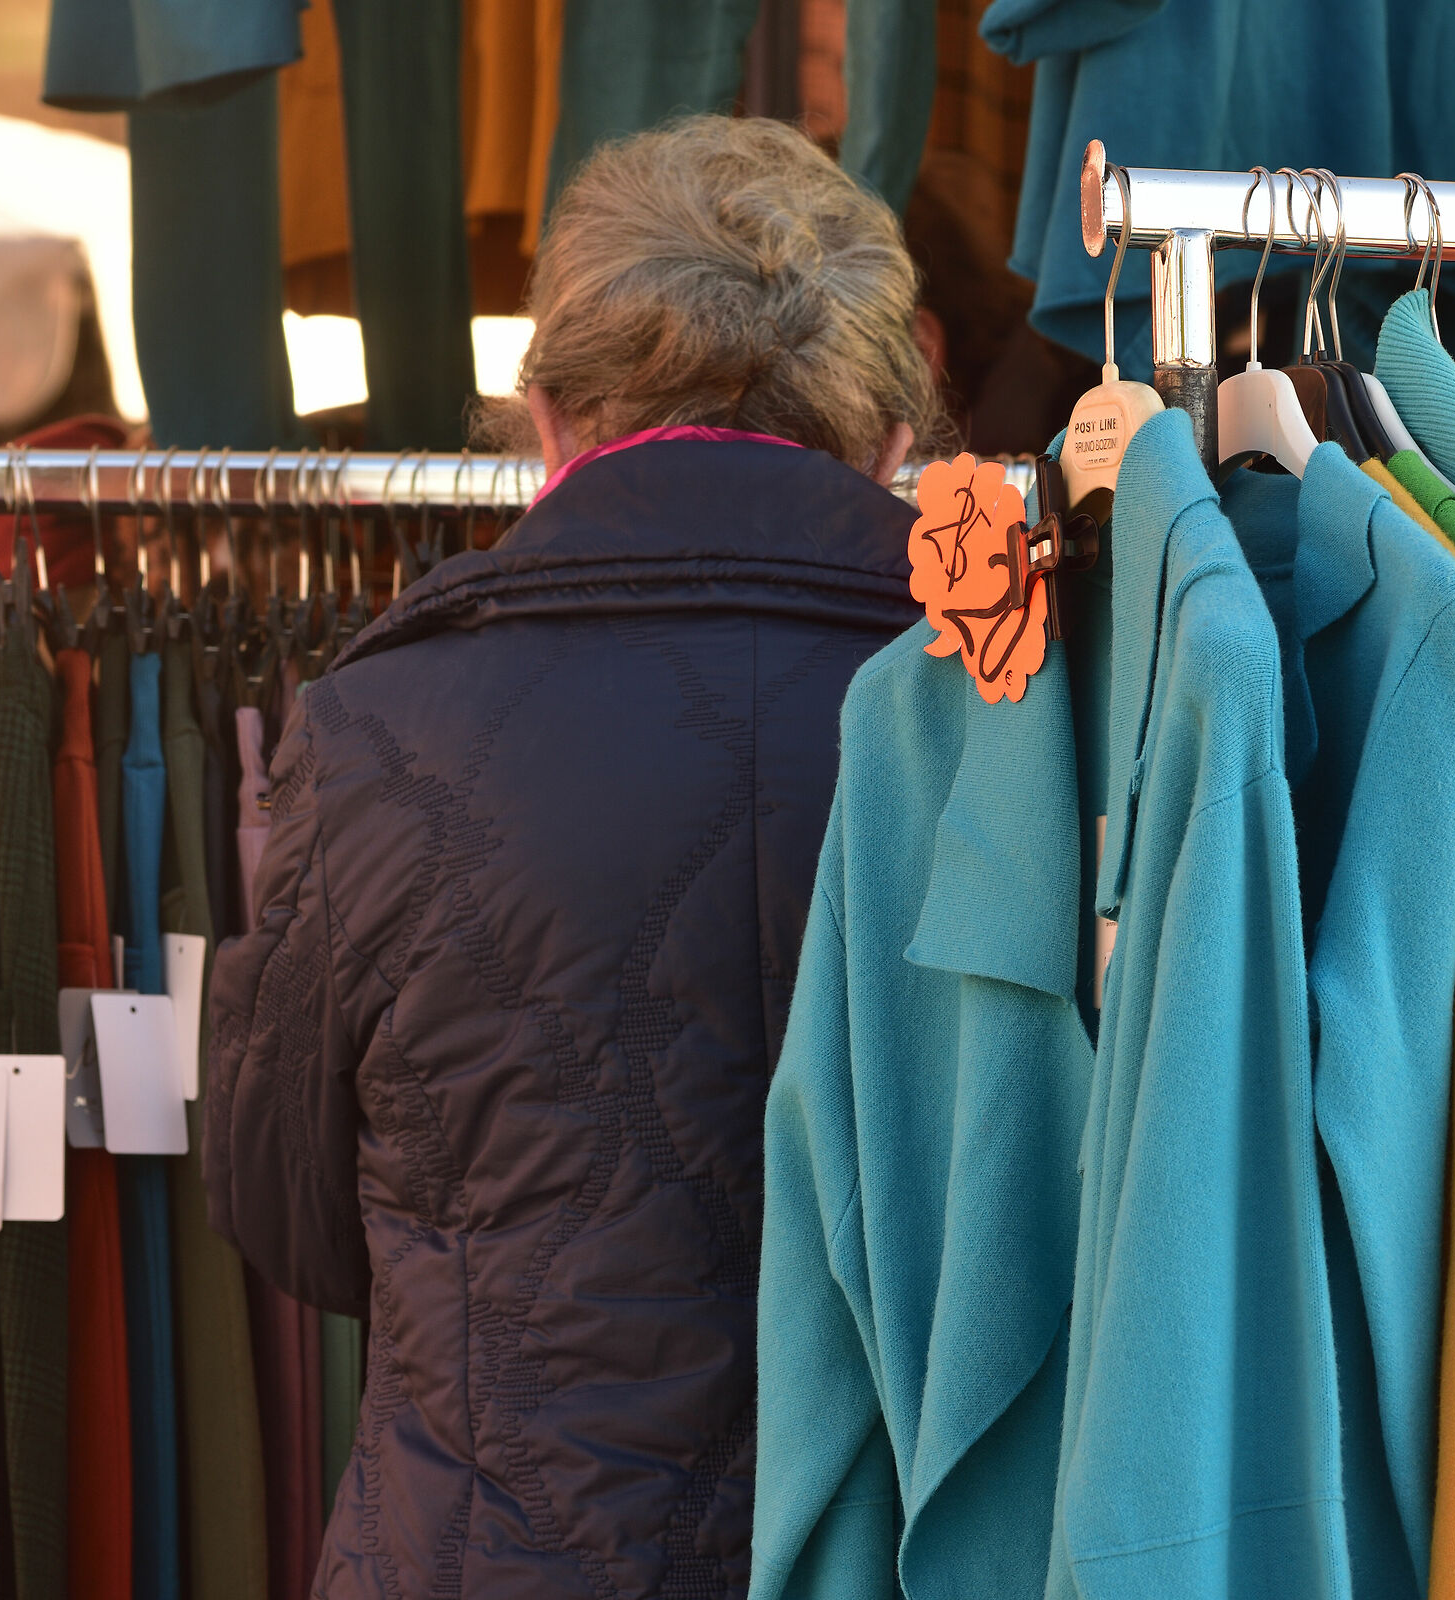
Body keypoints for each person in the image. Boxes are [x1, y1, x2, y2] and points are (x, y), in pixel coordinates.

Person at [204, 114, 939, 1600]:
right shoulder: (1029, 711)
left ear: (543, 419)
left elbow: (288, 1216)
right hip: (906, 1551)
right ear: (895, 441)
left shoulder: (375, 726)